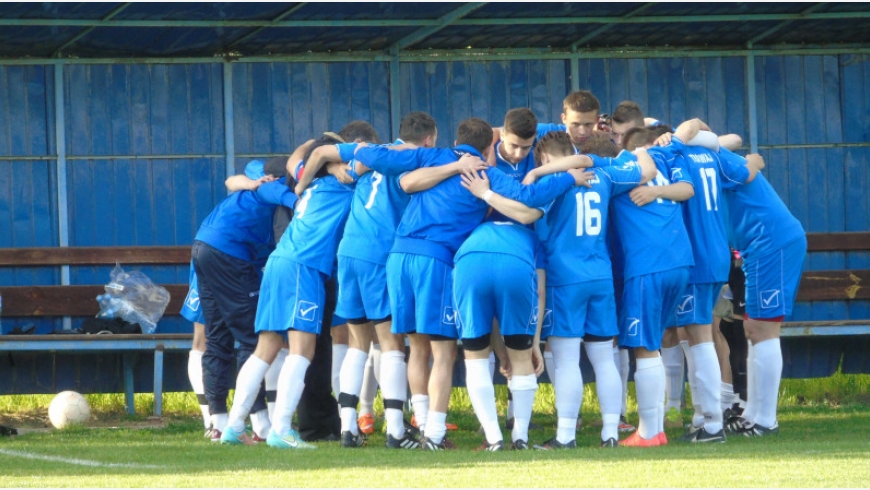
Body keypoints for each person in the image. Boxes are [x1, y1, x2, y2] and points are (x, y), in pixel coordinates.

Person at [353, 117, 592, 451]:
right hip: (443, 259)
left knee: (417, 348)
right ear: (488, 147)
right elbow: (528, 200)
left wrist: (348, 150)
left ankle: (416, 427)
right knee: (447, 351)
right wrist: (566, 177)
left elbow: (396, 173)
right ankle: (446, 434)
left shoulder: (433, 157)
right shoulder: (485, 173)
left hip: (403, 254)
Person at [219, 122, 379, 449]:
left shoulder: (310, 184)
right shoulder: (348, 183)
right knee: (302, 350)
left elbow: (300, 156)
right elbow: (354, 161)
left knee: (266, 348)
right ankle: (281, 430)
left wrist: (326, 162)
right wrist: (341, 160)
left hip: (279, 262)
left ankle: (234, 428)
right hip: (304, 267)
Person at [299, 111, 442, 449]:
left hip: (349, 251)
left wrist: (304, 184)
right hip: (380, 252)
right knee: (391, 344)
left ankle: (349, 428)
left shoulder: (372, 152)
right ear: (429, 139)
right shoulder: (416, 160)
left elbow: (324, 157)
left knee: (358, 342)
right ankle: (395, 430)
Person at [522, 133, 656, 449]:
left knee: (567, 360)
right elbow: (645, 172)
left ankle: (566, 435)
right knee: (604, 358)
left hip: (564, 278)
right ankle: (611, 432)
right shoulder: (605, 174)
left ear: (544, 160)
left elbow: (524, 205)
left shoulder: (554, 182)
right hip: (600, 276)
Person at [652, 119, 764, 443]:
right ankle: (703, 417)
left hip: (694, 255)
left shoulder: (673, 154)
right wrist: (753, 159)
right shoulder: (711, 155)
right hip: (717, 253)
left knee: (699, 336)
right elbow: (746, 172)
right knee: (694, 333)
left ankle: (712, 424)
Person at [191, 156, 300, 444]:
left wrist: (251, 182)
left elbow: (232, 180)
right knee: (255, 339)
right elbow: (273, 191)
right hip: (230, 254)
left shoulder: (257, 174)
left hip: (203, 246)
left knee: (217, 337)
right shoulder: (273, 186)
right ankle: (260, 424)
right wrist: (303, 201)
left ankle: (219, 422)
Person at [719, 147, 807, 437]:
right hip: (758, 249)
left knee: (764, 328)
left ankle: (766, 421)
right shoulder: (709, 159)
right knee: (753, 328)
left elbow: (749, 162)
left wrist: (750, 163)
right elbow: (747, 157)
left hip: (772, 244)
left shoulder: (715, 162)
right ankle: (752, 415)